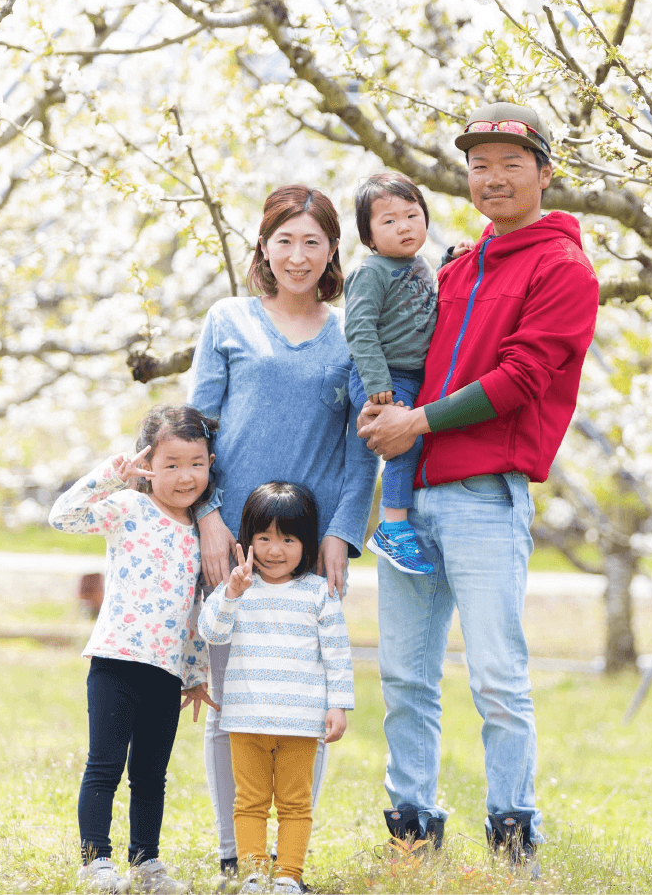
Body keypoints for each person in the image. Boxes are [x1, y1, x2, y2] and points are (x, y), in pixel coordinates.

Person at [354, 103, 601, 880]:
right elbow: (408, 350)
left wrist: (417, 421)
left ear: (545, 173)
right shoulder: (458, 264)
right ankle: (413, 826)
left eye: (510, 164)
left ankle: (513, 833)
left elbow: (524, 377)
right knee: (403, 674)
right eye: (478, 165)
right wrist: (382, 401)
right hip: (411, 493)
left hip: (484, 496)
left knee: (496, 675)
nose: (491, 178)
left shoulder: (563, 268)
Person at [184, 184, 378, 886]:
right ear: (264, 246)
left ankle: (289, 866)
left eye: (313, 242)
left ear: (332, 251)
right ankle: (235, 854)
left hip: (308, 551)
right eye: (285, 240)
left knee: (304, 697)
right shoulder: (228, 318)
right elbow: (195, 426)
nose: (298, 255)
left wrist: (343, 536)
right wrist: (206, 515)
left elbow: (363, 450)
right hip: (231, 546)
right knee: (229, 700)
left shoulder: (352, 333)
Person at [50, 404, 219, 895]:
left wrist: (195, 673)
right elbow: (63, 516)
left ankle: (146, 863)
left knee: (151, 775)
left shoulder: (200, 534)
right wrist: (109, 476)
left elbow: (193, 616)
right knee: (104, 765)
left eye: (196, 463)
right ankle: (95, 862)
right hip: (116, 661)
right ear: (148, 464)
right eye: (171, 465)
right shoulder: (128, 507)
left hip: (165, 672)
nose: (185, 476)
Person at [197, 482, 352, 895]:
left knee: (296, 804)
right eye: (263, 538)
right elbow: (210, 631)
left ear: (307, 542)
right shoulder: (239, 587)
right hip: (246, 719)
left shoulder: (319, 592)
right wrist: (230, 592)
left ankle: (288, 876)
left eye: (288, 539)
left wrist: (338, 705)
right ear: (247, 540)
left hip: (301, 722)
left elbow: (337, 654)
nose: (274, 550)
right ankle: (252, 875)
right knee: (248, 802)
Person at [343, 172, 440, 576]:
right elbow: (359, 328)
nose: (403, 226)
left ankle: (399, 521)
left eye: (411, 215)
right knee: (405, 441)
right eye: (388, 221)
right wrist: (377, 381)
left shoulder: (421, 265)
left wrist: (455, 259)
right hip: (381, 374)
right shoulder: (372, 272)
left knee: (414, 438)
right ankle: (393, 526)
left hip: (411, 375)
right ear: (369, 237)